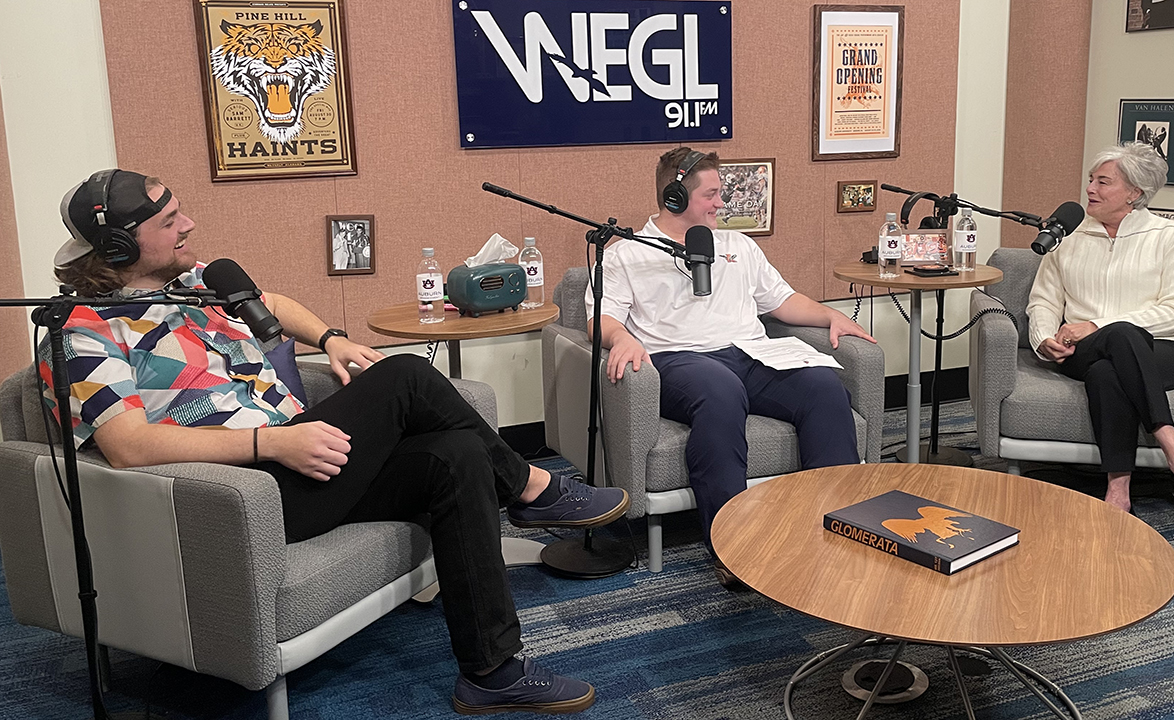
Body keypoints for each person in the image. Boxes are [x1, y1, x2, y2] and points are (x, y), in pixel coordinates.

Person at [43, 169, 631, 715]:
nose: (189, 224)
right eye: (169, 222)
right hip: (249, 495)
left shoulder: (193, 285)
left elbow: (270, 305)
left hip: (306, 462)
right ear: (119, 247)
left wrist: (330, 338)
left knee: (459, 456)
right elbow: (128, 446)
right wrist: (269, 446)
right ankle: (532, 488)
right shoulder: (80, 332)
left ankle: (491, 674)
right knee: (404, 377)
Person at [586, 147, 875, 587]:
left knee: (822, 386)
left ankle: (840, 523)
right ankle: (732, 545)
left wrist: (829, 315)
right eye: (712, 194)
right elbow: (600, 319)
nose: (723, 203)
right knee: (721, 393)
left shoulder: (737, 245)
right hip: (678, 359)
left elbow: (780, 300)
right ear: (675, 196)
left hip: (750, 352)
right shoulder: (627, 253)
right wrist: (621, 336)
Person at [1025, 143, 1174, 518]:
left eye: (1103, 182)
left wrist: (1095, 324)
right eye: (1091, 180)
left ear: (1135, 193)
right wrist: (1044, 339)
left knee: (1112, 361)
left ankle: (1118, 489)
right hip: (1080, 351)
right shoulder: (1067, 238)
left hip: (1165, 350)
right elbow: (1043, 301)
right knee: (1117, 340)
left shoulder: (1173, 236)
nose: (1090, 189)